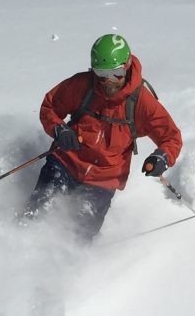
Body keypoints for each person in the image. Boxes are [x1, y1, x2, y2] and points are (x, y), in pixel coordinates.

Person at [24, 33, 183, 240]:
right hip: (65, 162)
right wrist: (59, 130)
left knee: (79, 234)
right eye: (101, 73)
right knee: (39, 211)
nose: (108, 80)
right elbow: (50, 107)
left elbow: (171, 137)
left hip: (104, 179)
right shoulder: (81, 86)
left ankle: (64, 269)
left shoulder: (141, 102)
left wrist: (162, 156)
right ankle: (15, 247)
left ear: (126, 66)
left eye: (116, 72)